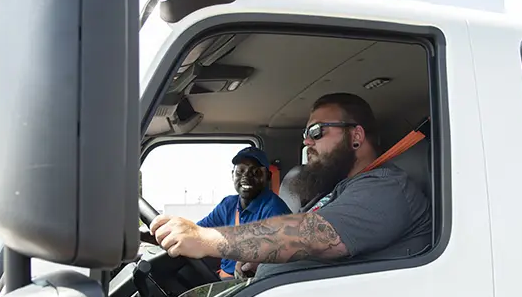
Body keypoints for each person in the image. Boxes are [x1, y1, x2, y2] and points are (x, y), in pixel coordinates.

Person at [150, 93, 432, 279]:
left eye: (316, 132)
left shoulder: (386, 189)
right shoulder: (340, 191)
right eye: (305, 134)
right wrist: (263, 261)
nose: (307, 142)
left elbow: (317, 235)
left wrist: (208, 239)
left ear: (356, 136)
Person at [195, 146, 291, 279]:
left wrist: (258, 262)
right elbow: (199, 231)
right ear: (232, 175)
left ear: (268, 177)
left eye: (255, 172)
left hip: (248, 284)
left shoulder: (274, 209)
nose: (246, 176)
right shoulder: (228, 204)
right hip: (222, 278)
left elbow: (281, 254)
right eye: (240, 171)